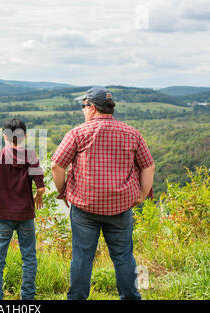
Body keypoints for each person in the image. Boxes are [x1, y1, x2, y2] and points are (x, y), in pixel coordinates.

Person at [51, 87, 155, 300]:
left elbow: (56, 166)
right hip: (120, 208)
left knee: (82, 258)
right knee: (123, 257)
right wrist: (141, 195)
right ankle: (130, 297)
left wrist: (63, 191)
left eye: (83, 106)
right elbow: (148, 166)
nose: (83, 110)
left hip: (84, 208)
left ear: (92, 107)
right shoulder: (132, 133)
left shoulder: (78, 133)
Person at [0, 118, 46, 300]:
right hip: (25, 215)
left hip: (2, 214)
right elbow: (41, 188)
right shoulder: (31, 157)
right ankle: (28, 298)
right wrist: (38, 197)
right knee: (29, 258)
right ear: (25, 136)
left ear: (4, 135)